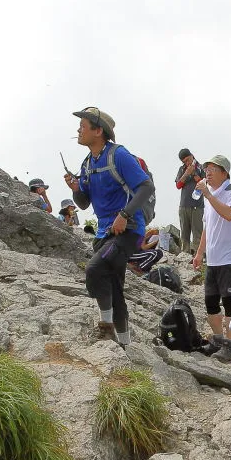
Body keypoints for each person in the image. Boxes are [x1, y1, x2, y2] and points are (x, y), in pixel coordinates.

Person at [62, 106, 154, 346]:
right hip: (104, 233)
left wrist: (124, 214)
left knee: (94, 269)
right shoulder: (87, 164)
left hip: (128, 230)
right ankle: (124, 345)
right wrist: (75, 189)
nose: (78, 130)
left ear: (98, 130)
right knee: (114, 286)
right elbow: (83, 204)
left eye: (83, 126)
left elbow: (146, 187)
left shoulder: (118, 155)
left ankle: (105, 326)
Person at [192, 155, 231, 363]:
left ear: (225, 173)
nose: (208, 173)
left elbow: (229, 214)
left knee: (229, 302)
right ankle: (218, 342)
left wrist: (208, 196)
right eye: (207, 169)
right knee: (210, 301)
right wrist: (199, 253)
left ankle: (229, 347)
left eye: (213, 169)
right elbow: (207, 227)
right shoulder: (209, 194)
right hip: (213, 258)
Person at [174, 148, 204, 254]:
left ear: (192, 155)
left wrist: (194, 173)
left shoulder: (201, 167)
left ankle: (198, 255)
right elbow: (178, 185)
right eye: (184, 161)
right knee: (184, 232)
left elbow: (204, 184)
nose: (187, 162)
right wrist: (186, 173)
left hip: (197, 206)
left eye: (188, 159)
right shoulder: (182, 169)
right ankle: (185, 255)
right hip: (184, 205)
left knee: (197, 233)